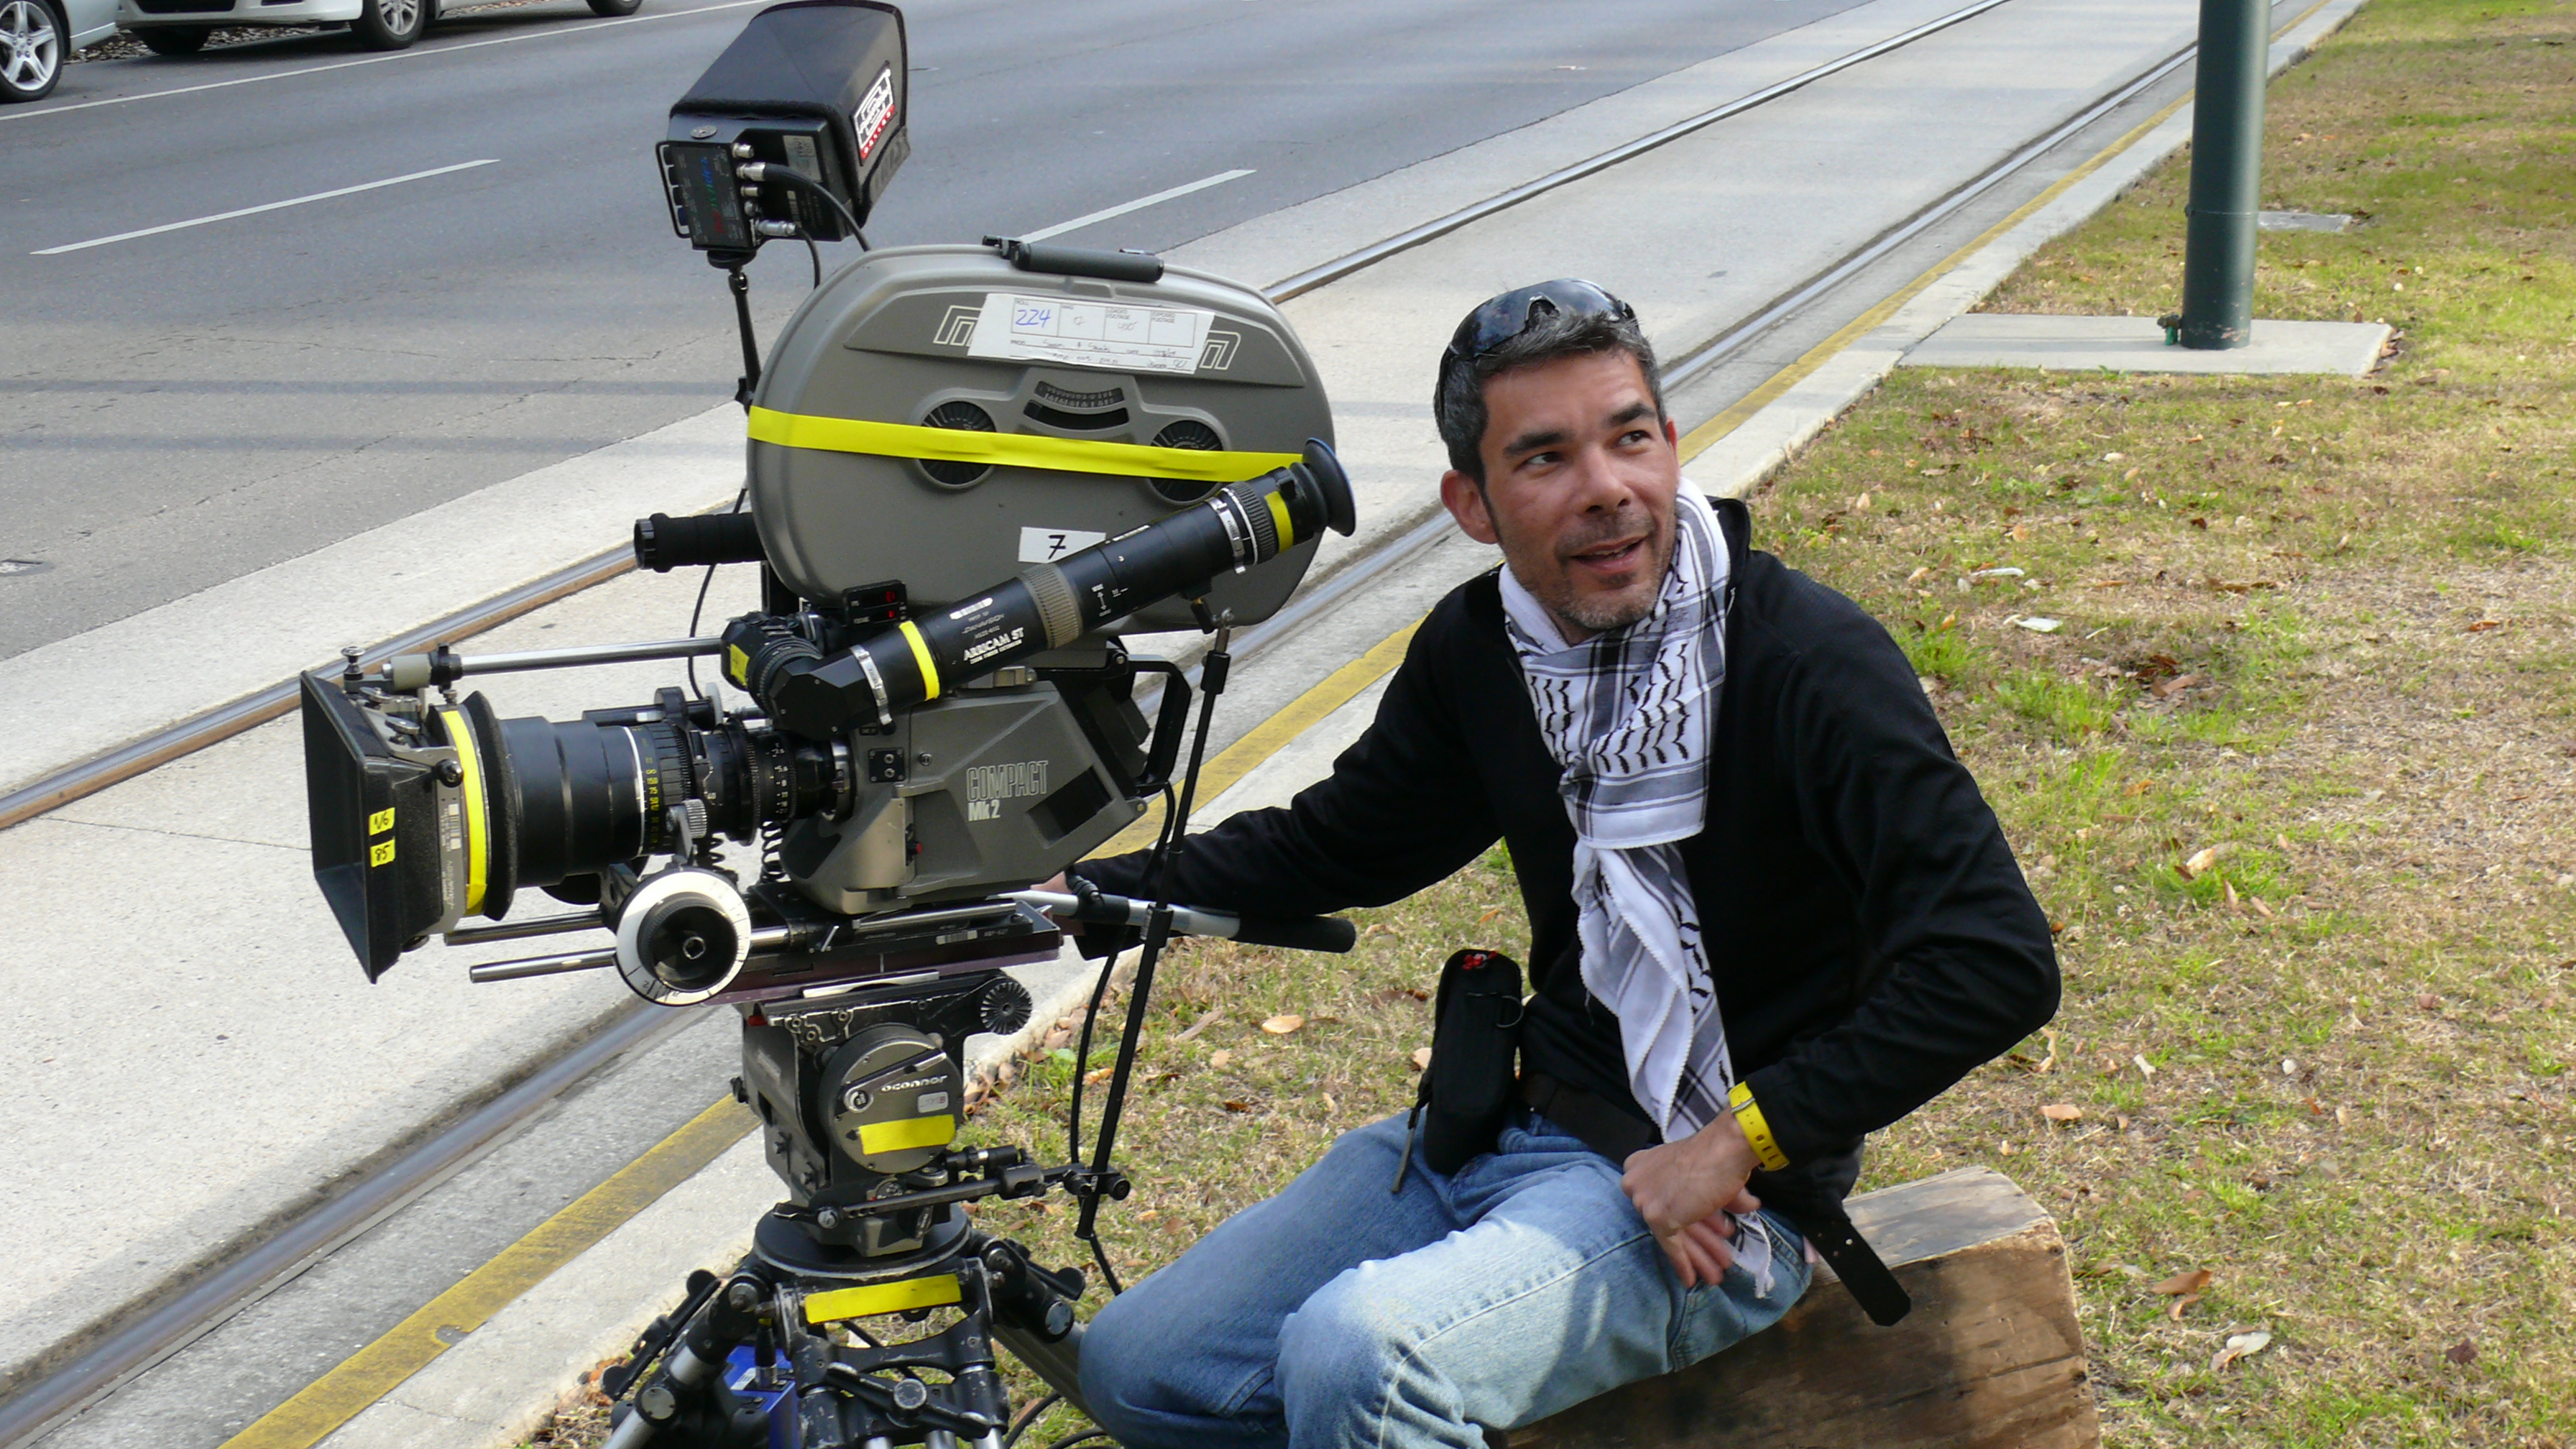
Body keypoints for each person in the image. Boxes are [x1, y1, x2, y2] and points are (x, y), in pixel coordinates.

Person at [1059, 280, 2059, 1448]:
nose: (1607, 490)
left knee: (1365, 1358)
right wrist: (1088, 892)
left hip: (1727, 1203)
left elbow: (1995, 961)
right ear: (1472, 505)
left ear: (1672, 443)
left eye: (1630, 436)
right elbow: (1343, 841)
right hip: (1507, 1122)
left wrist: (1732, 1140)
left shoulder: (1806, 662)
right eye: (1544, 459)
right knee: (1142, 1366)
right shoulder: (1488, 652)